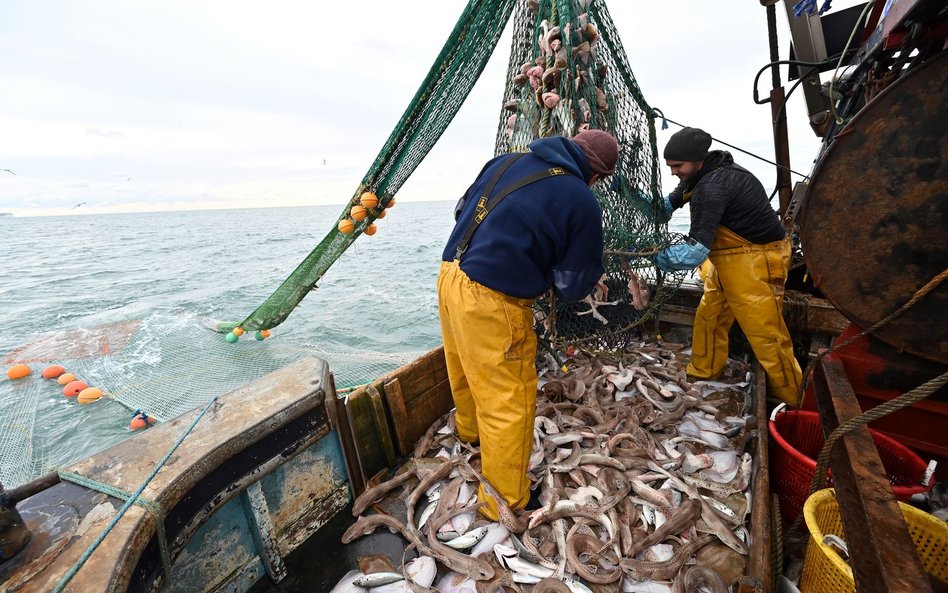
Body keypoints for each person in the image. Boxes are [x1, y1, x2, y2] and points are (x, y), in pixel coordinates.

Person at [438, 129, 619, 520]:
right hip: (493, 299)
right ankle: (503, 500)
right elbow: (572, 285)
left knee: (465, 367)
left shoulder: (507, 159)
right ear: (597, 175)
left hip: (450, 274)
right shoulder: (580, 198)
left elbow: (462, 210)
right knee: (508, 401)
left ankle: (469, 435)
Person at [650, 126, 803, 404]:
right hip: (728, 260)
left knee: (767, 336)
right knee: (710, 316)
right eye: (670, 166)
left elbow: (694, 253)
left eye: (677, 166)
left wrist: (653, 256)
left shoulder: (713, 186)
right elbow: (662, 209)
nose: (673, 172)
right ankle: (704, 372)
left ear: (697, 159)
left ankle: (791, 400)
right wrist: (626, 191)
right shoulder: (697, 177)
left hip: (758, 259)